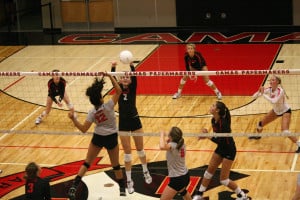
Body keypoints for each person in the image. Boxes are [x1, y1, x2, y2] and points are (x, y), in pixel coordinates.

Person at [67, 74, 126, 198]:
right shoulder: (109, 106)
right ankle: (122, 188)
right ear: (100, 99)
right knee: (115, 165)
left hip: (98, 137)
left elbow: (83, 129)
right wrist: (110, 76)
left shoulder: (92, 113)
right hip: (111, 138)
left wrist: (73, 119)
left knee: (87, 163)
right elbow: (119, 90)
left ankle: (74, 186)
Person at [193, 101, 249, 200]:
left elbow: (221, 142)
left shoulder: (224, 124)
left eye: (213, 106)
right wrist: (206, 136)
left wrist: (207, 136)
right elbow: (217, 137)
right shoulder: (213, 120)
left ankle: (242, 195)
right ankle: (199, 195)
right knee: (208, 172)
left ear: (217, 110)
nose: (211, 106)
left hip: (229, 150)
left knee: (224, 180)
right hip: (221, 148)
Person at [111, 61, 152, 194]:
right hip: (123, 122)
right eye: (122, 77)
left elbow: (134, 76)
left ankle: (145, 170)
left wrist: (132, 66)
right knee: (127, 154)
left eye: (127, 77)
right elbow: (113, 79)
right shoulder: (118, 89)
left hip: (135, 120)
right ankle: (129, 180)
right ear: (120, 79)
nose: (125, 78)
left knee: (140, 150)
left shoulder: (133, 87)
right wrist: (113, 68)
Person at [250, 75, 300, 153]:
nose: (271, 81)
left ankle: (299, 144)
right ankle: (258, 135)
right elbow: (253, 97)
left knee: (285, 131)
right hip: (276, 111)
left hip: (285, 111)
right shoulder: (268, 89)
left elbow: (274, 101)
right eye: (270, 80)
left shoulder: (280, 90)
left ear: (277, 82)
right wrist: (259, 91)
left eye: (273, 80)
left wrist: (263, 94)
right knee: (260, 124)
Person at [159, 126, 192, 200]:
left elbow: (161, 146)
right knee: (183, 192)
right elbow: (170, 144)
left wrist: (162, 134)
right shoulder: (182, 143)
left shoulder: (172, 146)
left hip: (177, 179)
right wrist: (168, 139)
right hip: (185, 176)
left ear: (171, 136)